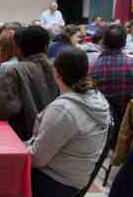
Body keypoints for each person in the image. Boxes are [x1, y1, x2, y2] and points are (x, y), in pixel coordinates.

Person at [28, 47, 110, 197]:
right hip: (76, 179)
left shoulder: (64, 110)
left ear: (57, 73)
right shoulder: (98, 98)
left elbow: (37, 159)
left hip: (55, 182)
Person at [0, 26, 58, 141]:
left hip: (24, 139)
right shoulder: (58, 69)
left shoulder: (15, 71)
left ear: (17, 48)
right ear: (46, 47)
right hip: (55, 137)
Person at [90, 25, 133, 125]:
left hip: (102, 125)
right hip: (128, 125)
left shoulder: (92, 67)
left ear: (103, 42)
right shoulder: (131, 64)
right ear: (124, 43)